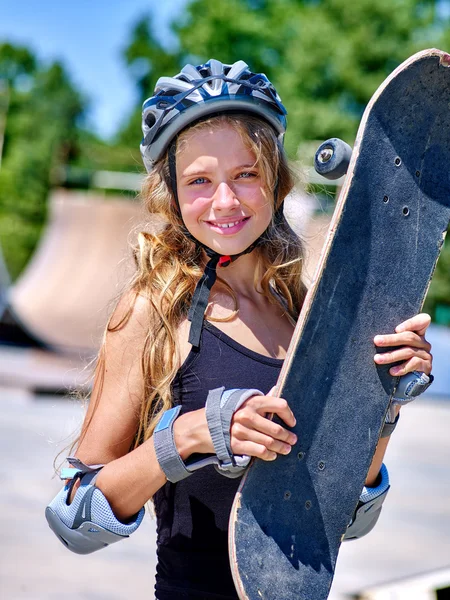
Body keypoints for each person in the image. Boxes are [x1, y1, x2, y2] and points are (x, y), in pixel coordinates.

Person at [46, 59, 433, 599]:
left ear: (275, 182)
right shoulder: (154, 312)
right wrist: (190, 434)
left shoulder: (302, 316)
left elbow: (346, 522)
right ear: (172, 195)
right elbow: (75, 520)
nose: (225, 201)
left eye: (245, 174)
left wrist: (383, 407)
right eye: (199, 181)